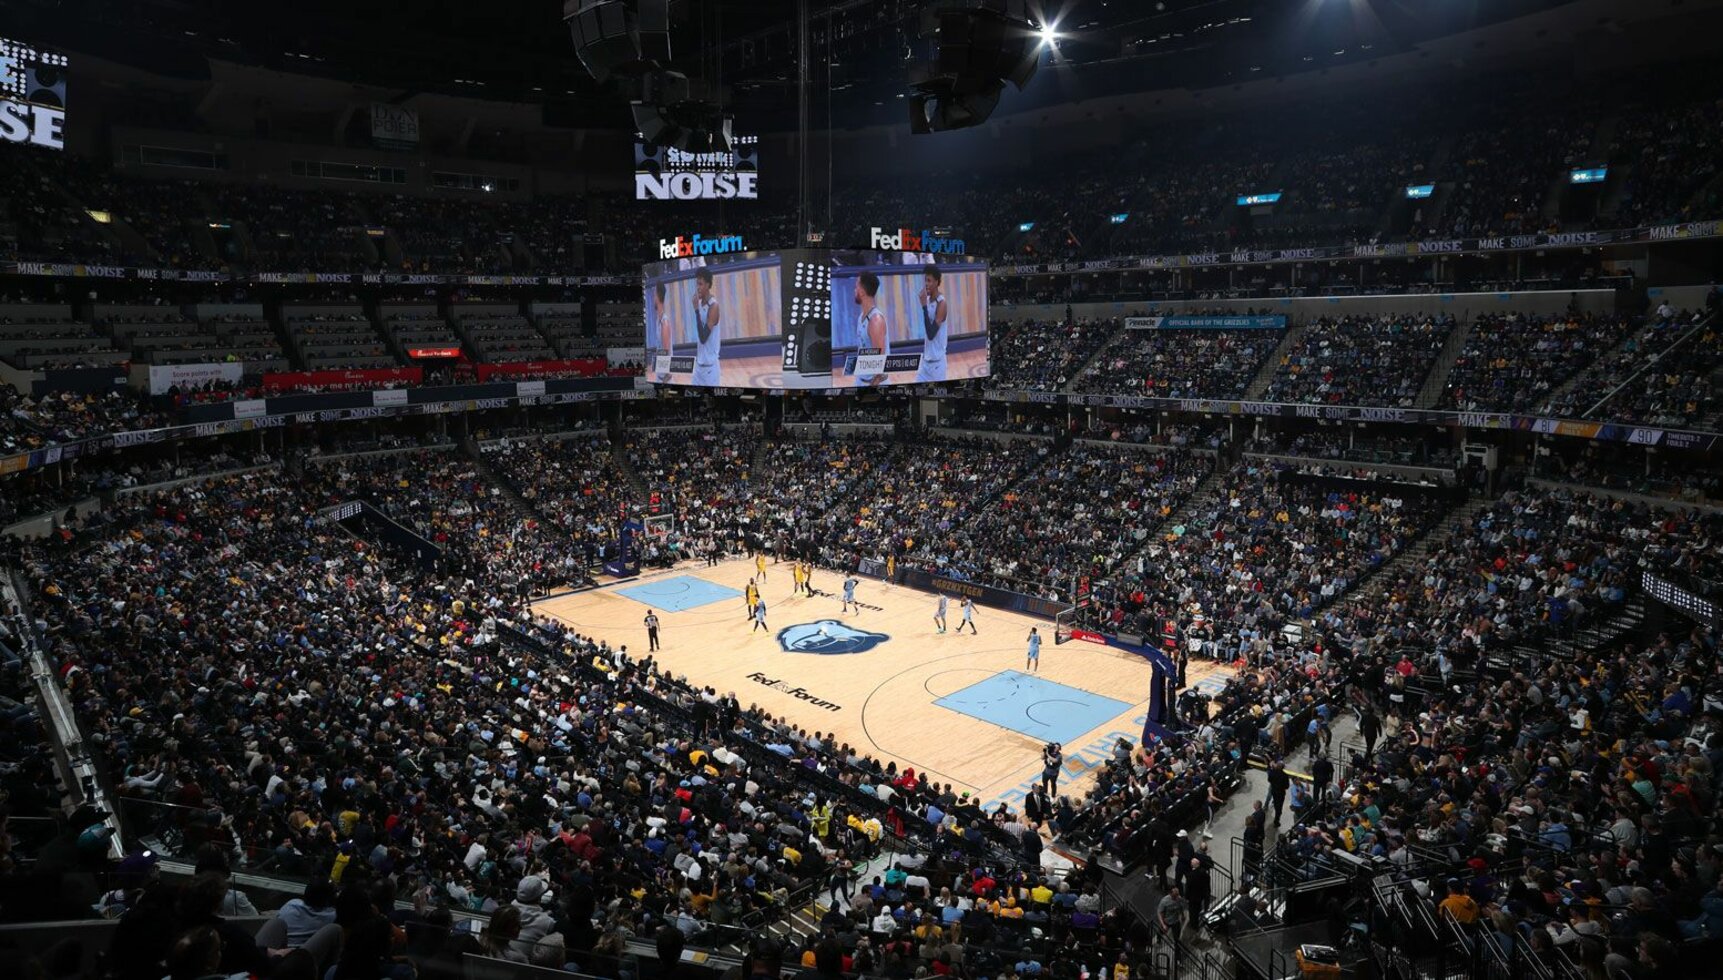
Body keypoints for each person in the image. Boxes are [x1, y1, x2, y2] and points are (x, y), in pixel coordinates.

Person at [851, 272, 890, 387]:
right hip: (861, 379)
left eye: (856, 286)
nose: (854, 290)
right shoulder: (862, 317)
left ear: (862, 292)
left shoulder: (875, 320)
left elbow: (880, 363)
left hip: (874, 384)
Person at [915, 265, 948, 383]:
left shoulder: (942, 303)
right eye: (925, 280)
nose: (926, 284)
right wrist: (925, 304)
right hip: (925, 363)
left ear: (937, 282)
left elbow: (931, 334)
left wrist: (924, 307)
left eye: (929, 281)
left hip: (937, 365)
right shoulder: (928, 300)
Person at [690, 268, 722, 387]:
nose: (698, 287)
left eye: (700, 284)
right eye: (697, 284)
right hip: (698, 367)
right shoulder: (699, 303)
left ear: (708, 285)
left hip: (710, 370)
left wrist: (696, 310)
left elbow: (703, 338)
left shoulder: (714, 306)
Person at [1266, 758, 1290, 824]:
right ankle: (1277, 819)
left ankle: (1274, 808)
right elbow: (1287, 786)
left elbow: (1269, 780)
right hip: (1281, 793)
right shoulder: (1285, 776)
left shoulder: (1273, 772)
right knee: (1279, 806)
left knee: (1275, 801)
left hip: (1274, 791)